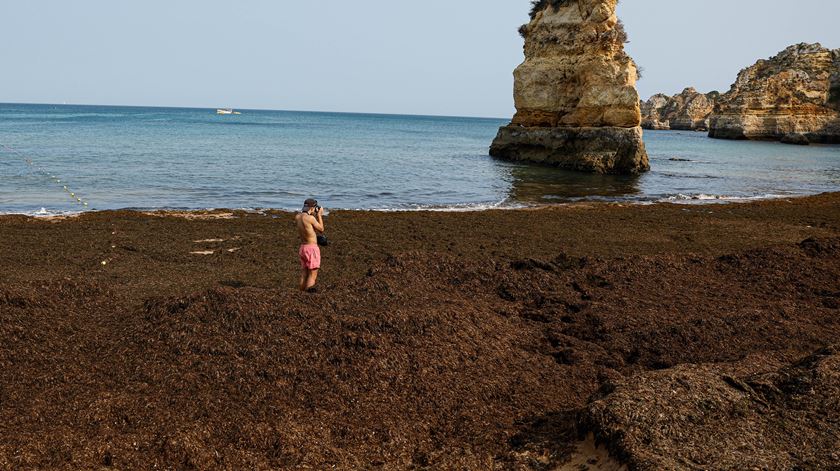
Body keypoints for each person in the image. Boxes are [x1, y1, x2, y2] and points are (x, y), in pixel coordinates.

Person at [295, 198, 325, 292]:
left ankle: (300, 293)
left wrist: (312, 212)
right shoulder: (310, 218)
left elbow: (309, 229)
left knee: (304, 273)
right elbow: (321, 229)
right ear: (312, 208)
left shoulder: (298, 217)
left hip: (303, 248)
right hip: (311, 248)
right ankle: (308, 296)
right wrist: (319, 215)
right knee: (312, 275)